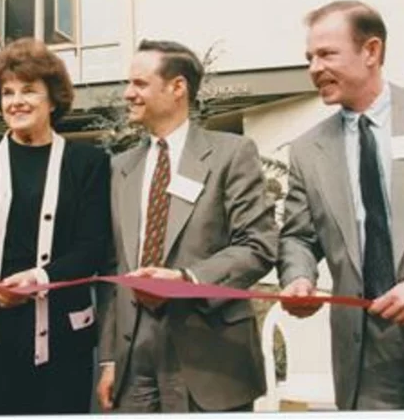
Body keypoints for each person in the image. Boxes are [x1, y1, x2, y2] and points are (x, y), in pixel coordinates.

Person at [0, 37, 111, 415]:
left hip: (60, 343)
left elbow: (92, 245)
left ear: (54, 98)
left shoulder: (87, 163)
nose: (16, 101)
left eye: (29, 90)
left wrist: (40, 278)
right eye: (7, 92)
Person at [96, 40, 277, 413]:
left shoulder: (232, 154)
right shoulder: (119, 169)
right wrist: (110, 359)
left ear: (177, 88)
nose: (128, 94)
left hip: (210, 352)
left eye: (140, 84)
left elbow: (258, 246)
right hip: (134, 363)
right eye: (128, 84)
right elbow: (114, 266)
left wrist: (187, 280)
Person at [278, 0, 404, 409]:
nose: (313, 68)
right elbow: (297, 234)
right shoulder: (308, 150)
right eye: (309, 57)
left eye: (326, 54)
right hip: (366, 356)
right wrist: (298, 277)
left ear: (371, 51)